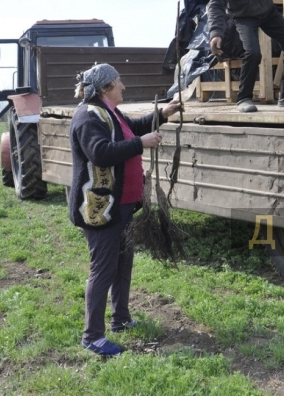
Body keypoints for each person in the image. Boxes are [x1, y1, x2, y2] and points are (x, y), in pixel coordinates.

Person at [68, 63, 182, 357]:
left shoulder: (110, 112)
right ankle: (92, 336)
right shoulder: (88, 116)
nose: (123, 87)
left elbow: (133, 129)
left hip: (121, 207)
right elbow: (101, 152)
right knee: (103, 271)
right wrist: (141, 144)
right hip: (100, 209)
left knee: (122, 266)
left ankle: (120, 320)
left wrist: (161, 114)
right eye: (118, 83)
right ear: (106, 88)